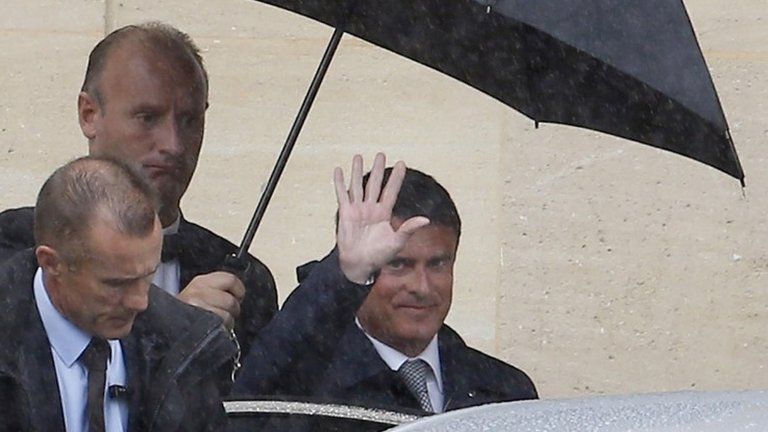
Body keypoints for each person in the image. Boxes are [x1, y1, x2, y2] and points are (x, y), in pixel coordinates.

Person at [0, 22, 277, 359]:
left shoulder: (244, 280)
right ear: (90, 115)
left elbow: (262, 406)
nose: (173, 144)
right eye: (148, 117)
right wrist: (171, 324)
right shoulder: (13, 247)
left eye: (189, 121)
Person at [233, 156, 537, 428]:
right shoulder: (308, 392)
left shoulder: (506, 391)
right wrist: (344, 274)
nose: (421, 287)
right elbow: (248, 403)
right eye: (398, 264)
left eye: (437, 264)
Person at [0, 156, 234, 431]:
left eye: (147, 277)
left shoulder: (185, 346)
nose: (140, 301)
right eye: (115, 284)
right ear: (51, 263)